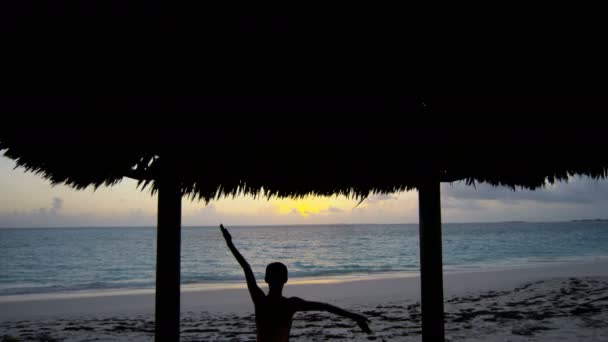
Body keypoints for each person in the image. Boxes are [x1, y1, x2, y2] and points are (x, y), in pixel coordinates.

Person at [220, 224, 371, 341]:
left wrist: (230, 244)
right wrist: (354, 316)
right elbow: (325, 307)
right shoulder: (291, 304)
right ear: (286, 280)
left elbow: (246, 267)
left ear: (266, 279)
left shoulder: (260, 300)